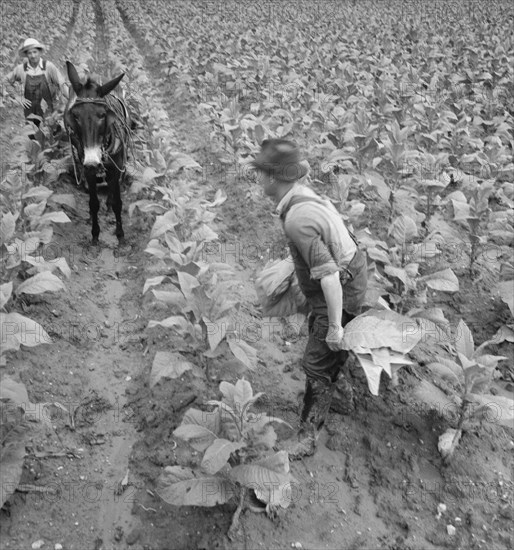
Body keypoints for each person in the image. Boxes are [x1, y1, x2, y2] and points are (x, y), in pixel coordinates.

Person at [251, 139, 368, 459]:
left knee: (317, 359)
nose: (259, 179)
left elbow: (329, 276)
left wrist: (334, 325)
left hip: (341, 286)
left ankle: (307, 435)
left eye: (261, 173)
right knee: (327, 346)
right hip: (348, 274)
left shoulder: (297, 218)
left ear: (273, 178)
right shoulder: (300, 197)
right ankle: (341, 395)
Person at [4, 38, 68, 126]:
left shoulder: (49, 67)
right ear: (26, 54)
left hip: (49, 112)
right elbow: (6, 81)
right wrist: (17, 97)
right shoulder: (21, 69)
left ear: (39, 52)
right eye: (29, 53)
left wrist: (73, 99)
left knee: (49, 135)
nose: (33, 56)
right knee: (32, 136)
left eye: (35, 52)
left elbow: (62, 85)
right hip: (30, 112)